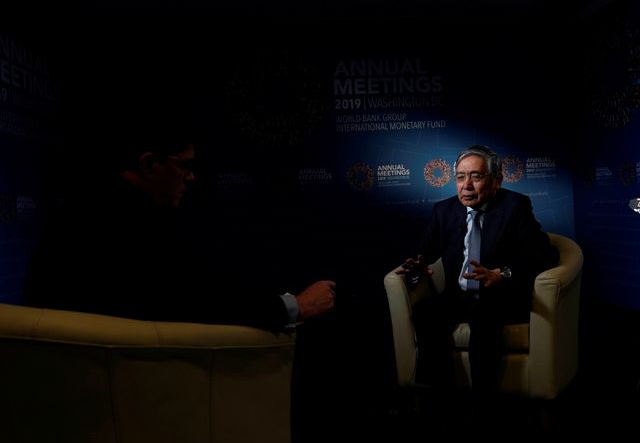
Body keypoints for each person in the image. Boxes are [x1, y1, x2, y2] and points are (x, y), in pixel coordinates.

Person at [22, 116, 335, 330]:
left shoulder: (90, 207)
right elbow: (200, 303)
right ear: (148, 164)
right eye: (184, 165)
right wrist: (295, 306)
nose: (192, 176)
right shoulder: (127, 223)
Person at [401, 144, 558, 397]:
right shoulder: (444, 211)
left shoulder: (515, 206)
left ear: (496, 181)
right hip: (459, 295)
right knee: (424, 312)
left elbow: (545, 256)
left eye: (476, 176)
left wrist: (502, 273)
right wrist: (418, 269)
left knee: (485, 323)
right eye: (461, 177)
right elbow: (423, 255)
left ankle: (483, 402)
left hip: (497, 295)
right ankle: (440, 393)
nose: (467, 186)